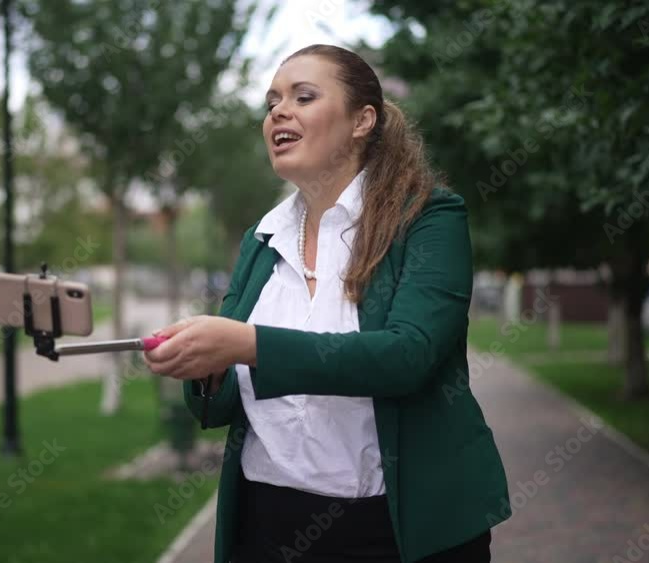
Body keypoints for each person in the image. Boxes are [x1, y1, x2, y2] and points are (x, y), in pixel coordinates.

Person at [144, 44, 510, 563]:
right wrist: (203, 363)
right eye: (271, 102)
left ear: (363, 120)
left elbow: (407, 357)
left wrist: (246, 344)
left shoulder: (429, 218)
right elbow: (218, 406)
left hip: (398, 529)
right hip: (265, 524)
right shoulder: (262, 238)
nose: (278, 111)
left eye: (304, 96)